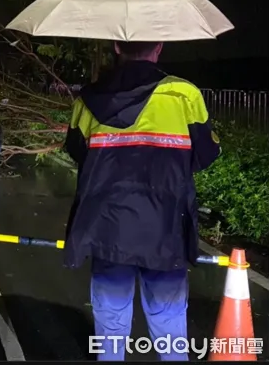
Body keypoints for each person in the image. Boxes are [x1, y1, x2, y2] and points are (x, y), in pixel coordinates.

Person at [63, 41, 221, 361]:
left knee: (110, 328)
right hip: (165, 229)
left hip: (107, 228)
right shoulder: (183, 95)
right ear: (159, 46)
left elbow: (77, 151)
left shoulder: (89, 99)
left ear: (117, 46)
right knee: (170, 327)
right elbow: (206, 153)